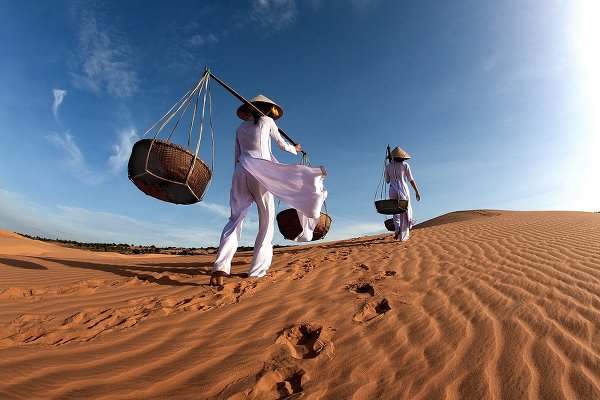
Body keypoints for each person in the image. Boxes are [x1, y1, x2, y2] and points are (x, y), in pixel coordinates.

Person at [210, 95, 327, 286]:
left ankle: (220, 268)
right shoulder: (267, 121)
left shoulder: (240, 129)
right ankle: (257, 271)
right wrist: (295, 149)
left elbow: (236, 156)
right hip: (260, 171)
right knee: (266, 221)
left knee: (235, 219)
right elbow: (281, 144)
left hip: (240, 171)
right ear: (266, 109)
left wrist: (238, 177)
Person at [384, 146, 421, 241]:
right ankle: (403, 234)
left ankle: (397, 229)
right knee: (405, 210)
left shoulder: (388, 167)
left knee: (395, 211)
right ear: (402, 156)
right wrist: (417, 191)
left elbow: (387, 181)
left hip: (392, 189)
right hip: (403, 189)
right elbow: (411, 179)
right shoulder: (405, 165)